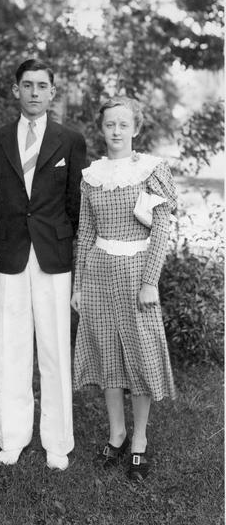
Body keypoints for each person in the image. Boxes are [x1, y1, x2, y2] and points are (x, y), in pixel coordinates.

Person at [0, 59, 86, 470]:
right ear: (15, 91)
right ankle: (13, 435)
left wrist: (69, 245)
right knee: (10, 345)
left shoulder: (69, 140)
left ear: (52, 93)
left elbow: (75, 203)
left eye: (41, 86)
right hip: (10, 251)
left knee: (54, 344)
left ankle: (57, 440)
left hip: (52, 254)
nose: (33, 92)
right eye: (26, 85)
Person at [71, 96, 177, 481]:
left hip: (136, 273)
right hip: (98, 271)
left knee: (140, 352)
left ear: (135, 128)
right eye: (109, 125)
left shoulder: (150, 170)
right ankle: (117, 434)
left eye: (122, 125)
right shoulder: (92, 176)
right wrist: (79, 284)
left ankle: (140, 440)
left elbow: (162, 227)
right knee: (107, 353)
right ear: (102, 129)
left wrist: (150, 280)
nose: (115, 131)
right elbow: (85, 233)